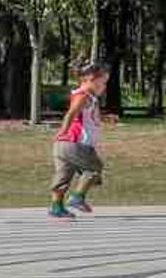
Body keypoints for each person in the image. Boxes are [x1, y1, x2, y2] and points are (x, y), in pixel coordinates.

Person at [48, 61, 117, 220]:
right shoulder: (83, 96)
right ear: (90, 79)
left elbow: (88, 117)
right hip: (75, 143)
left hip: (62, 146)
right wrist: (63, 130)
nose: (104, 86)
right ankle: (77, 197)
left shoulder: (89, 98)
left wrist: (106, 118)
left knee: (63, 176)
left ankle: (57, 207)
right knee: (94, 168)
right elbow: (71, 114)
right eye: (103, 82)